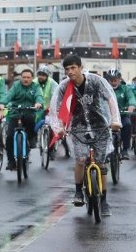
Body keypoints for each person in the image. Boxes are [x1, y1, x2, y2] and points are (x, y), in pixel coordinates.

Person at [47, 55, 121, 214]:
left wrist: (115, 121)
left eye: (73, 68)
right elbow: (55, 109)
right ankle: (79, 191)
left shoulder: (95, 81)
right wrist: (59, 128)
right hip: (77, 128)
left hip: (100, 125)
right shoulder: (63, 87)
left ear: (80, 67)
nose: (70, 72)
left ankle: (104, 200)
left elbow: (111, 100)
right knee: (80, 160)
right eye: (67, 69)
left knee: (101, 164)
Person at [3, 68, 44, 171]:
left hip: (29, 112)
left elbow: (39, 96)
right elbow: (9, 95)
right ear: (21, 78)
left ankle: (30, 139)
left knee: (30, 120)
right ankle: (11, 161)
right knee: (9, 137)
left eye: (28, 77)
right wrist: (2, 103)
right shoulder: (16, 85)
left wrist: (38, 103)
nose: (26, 79)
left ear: (32, 78)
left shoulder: (36, 86)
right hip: (15, 113)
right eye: (24, 77)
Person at [107, 69, 135, 160]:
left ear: (119, 80)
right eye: (111, 80)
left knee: (127, 124)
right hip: (108, 116)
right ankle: (105, 151)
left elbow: (131, 97)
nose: (113, 83)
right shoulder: (105, 88)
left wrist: (131, 105)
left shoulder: (125, 88)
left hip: (122, 115)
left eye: (115, 80)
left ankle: (125, 150)